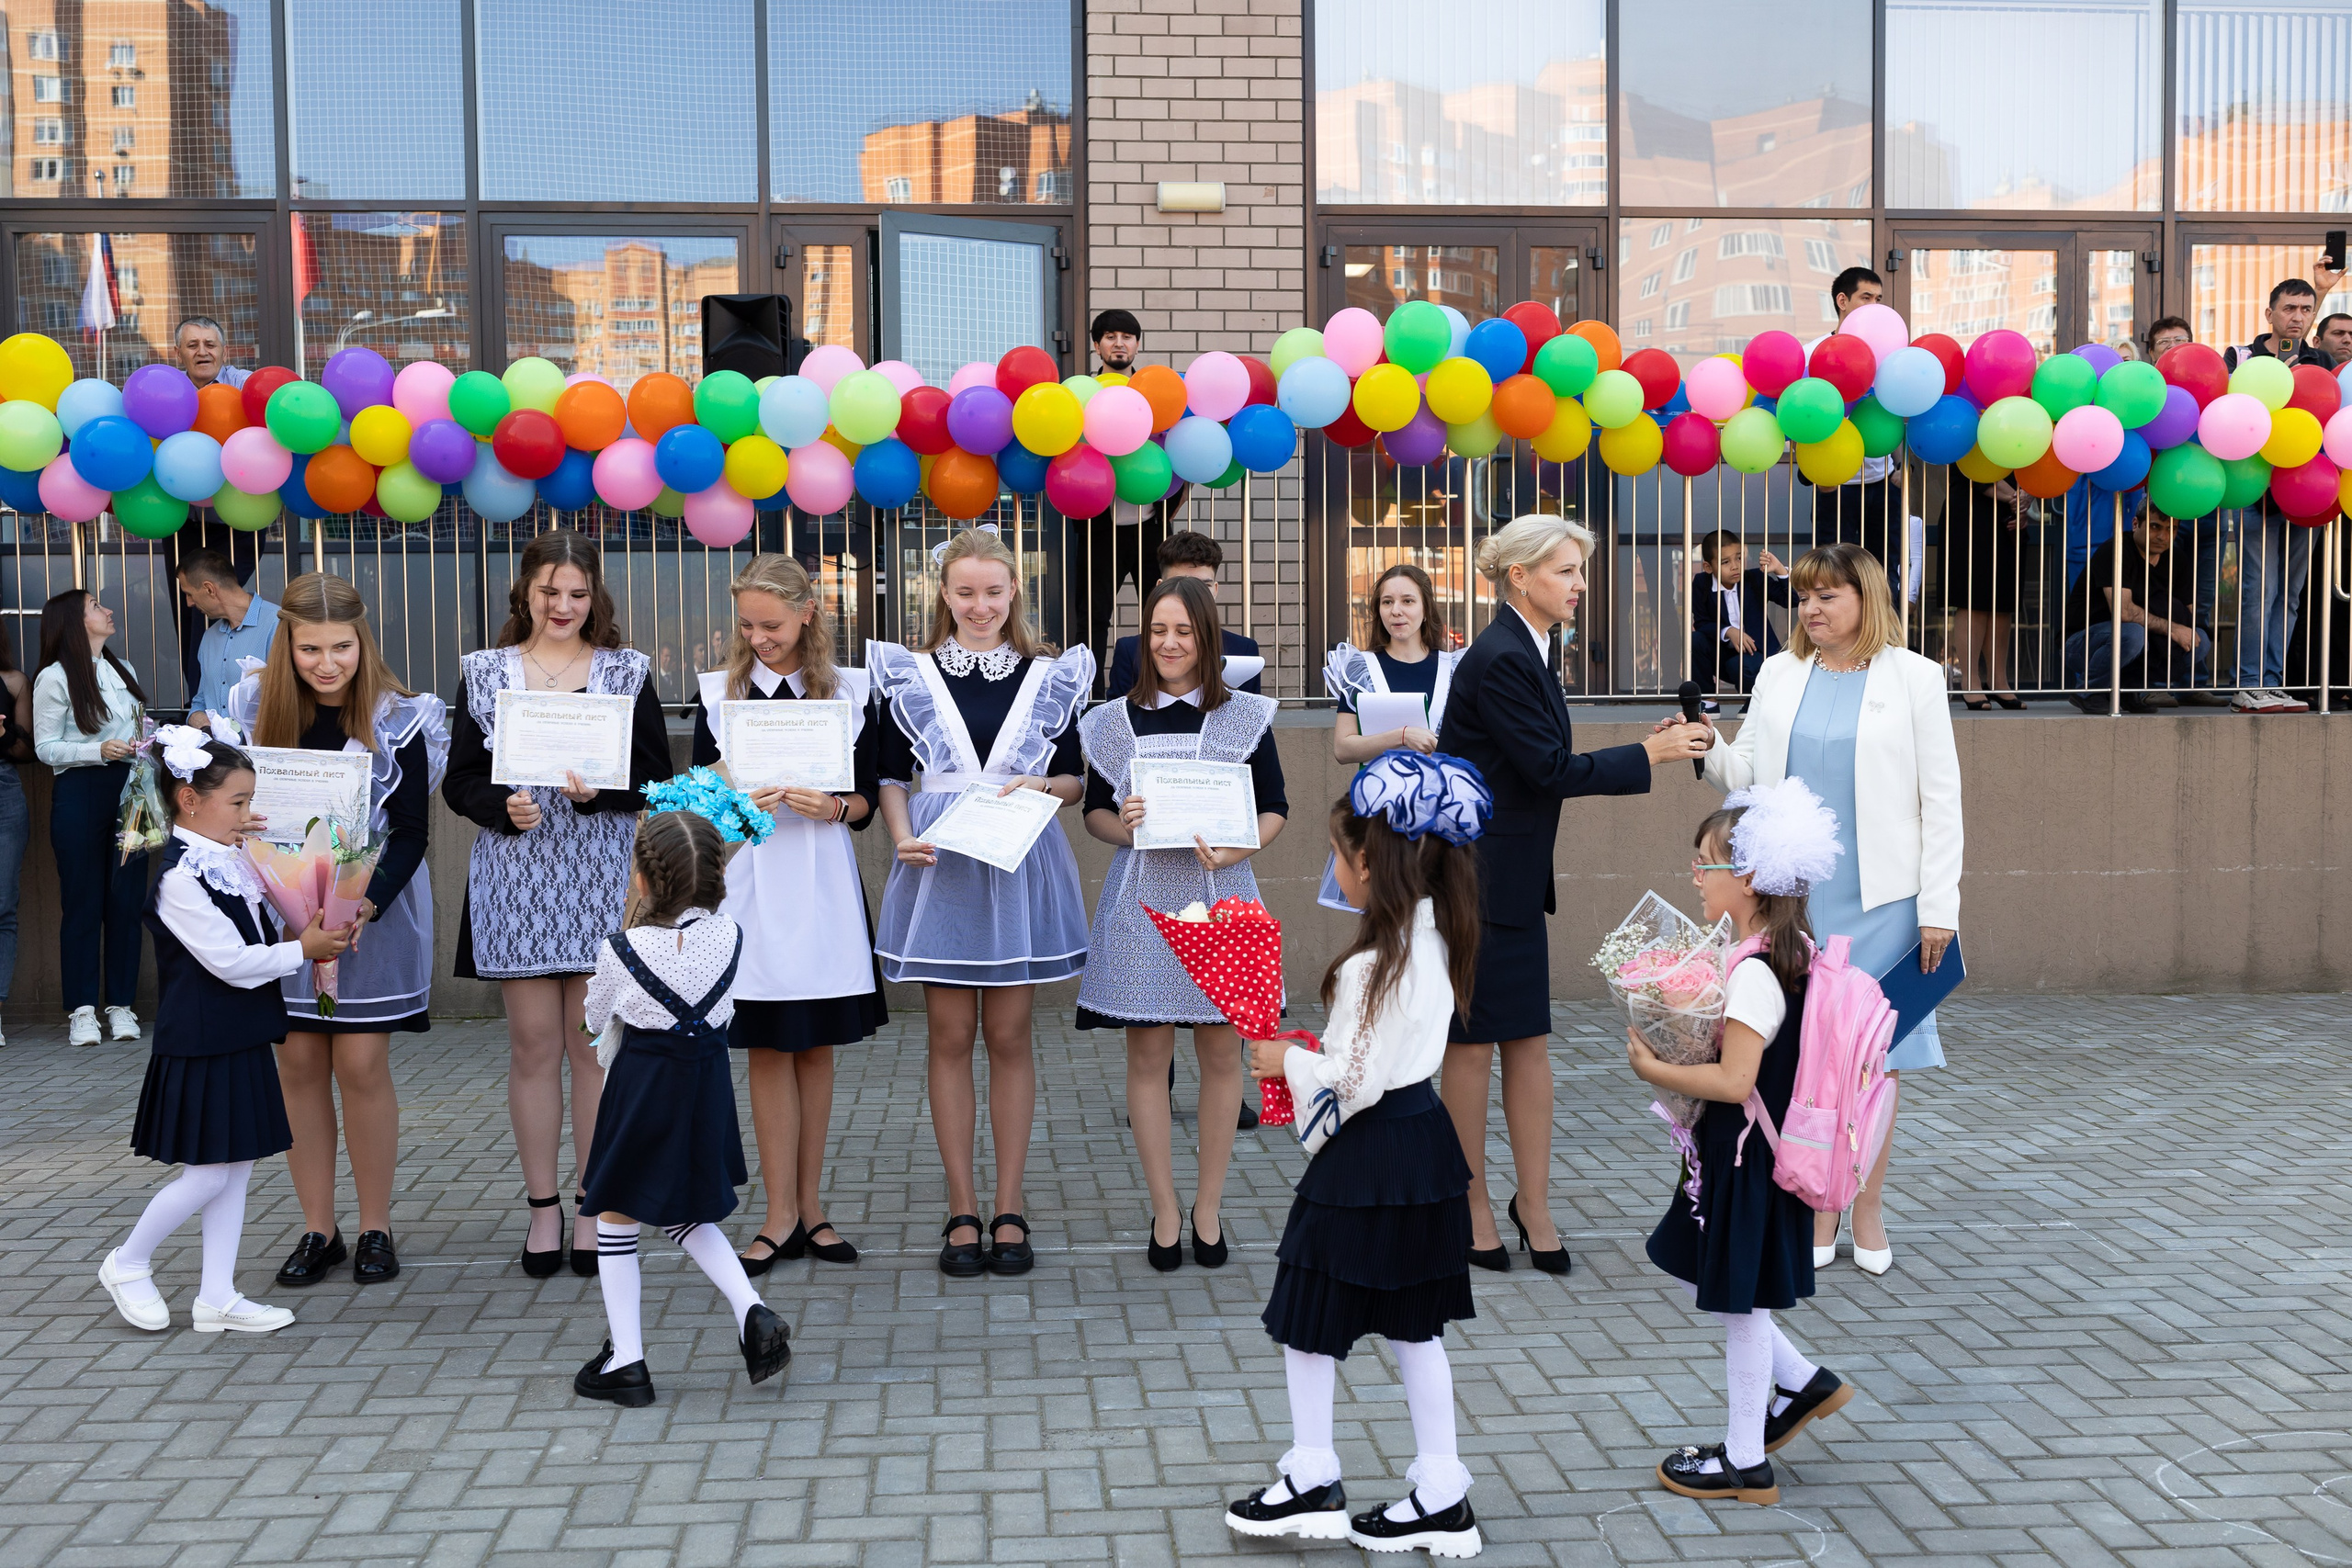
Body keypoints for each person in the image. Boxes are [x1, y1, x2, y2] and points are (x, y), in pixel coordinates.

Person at [1224, 751, 1489, 1556]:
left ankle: (1313, 1477)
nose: (1334, 869)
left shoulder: (1379, 961)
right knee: (1415, 1327)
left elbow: (1353, 1079)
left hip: (1370, 1153)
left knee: (1308, 1313)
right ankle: (1440, 1491)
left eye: (1339, 854)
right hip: (1423, 1145)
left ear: (1370, 862)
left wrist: (1285, 1060)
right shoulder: (1435, 938)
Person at [1439, 516, 1712, 1276]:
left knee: (1528, 1042)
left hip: (1512, 881)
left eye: (1579, 570)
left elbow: (1543, 761)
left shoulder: (1530, 647)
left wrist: (1649, 749)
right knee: (1471, 1047)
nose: (1580, 584)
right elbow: (1549, 770)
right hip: (1476, 883)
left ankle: (1534, 1205)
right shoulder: (1500, 656)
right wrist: (1650, 752)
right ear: (1520, 576)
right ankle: (1470, 1207)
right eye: (1565, 570)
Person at [1698, 544, 1962, 1278]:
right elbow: (1745, 774)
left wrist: (1939, 906)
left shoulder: (1915, 677)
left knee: (1876, 1057)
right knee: (1808, 1054)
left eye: (1827, 596)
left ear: (1866, 599)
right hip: (1797, 899)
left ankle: (1866, 1206)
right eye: (1805, 596)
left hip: (1885, 899)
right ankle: (1818, 1203)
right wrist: (1704, 743)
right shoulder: (1779, 673)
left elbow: (1941, 799)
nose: (1810, 608)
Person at [443, 530, 674, 1279]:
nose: (564, 605)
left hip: (602, 873)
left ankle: (591, 1205)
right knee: (533, 1045)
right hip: (517, 876)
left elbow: (654, 778)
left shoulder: (626, 671)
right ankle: (542, 1207)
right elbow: (459, 779)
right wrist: (499, 806)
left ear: (594, 595)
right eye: (550, 591)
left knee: (593, 1048)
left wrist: (599, 791)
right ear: (526, 592)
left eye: (577, 593)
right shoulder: (485, 672)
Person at [870, 526, 1093, 1279]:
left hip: (1014, 858)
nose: (979, 605)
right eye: (965, 591)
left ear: (1014, 590)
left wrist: (1043, 785)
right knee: (949, 1033)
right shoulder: (910, 673)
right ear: (942, 592)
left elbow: (1074, 779)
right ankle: (961, 1204)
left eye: (993, 591)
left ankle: (1009, 1202)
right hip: (939, 863)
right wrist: (901, 836)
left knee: (1009, 1034)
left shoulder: (1048, 674)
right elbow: (890, 774)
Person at [221, 574, 447, 1289]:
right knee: (296, 1065)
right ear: (286, 643)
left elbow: (411, 832)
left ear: (362, 641)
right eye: (310, 648)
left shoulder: (399, 718)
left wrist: (363, 905)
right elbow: (234, 811)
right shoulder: (253, 707)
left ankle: (376, 1224)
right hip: (284, 917)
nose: (327, 663)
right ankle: (319, 1228)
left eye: (341, 647)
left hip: (369, 918)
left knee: (360, 1064)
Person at [1629, 781, 1849, 1507]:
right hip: (1740, 1154)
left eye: (1706, 865)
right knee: (1702, 1264)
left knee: (1744, 1306)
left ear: (1749, 877)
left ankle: (1746, 1462)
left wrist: (1655, 1067)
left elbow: (1735, 1079)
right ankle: (1803, 1383)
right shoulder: (1787, 950)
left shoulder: (1754, 971)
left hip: (1745, 1157)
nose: (1696, 877)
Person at [95, 730, 350, 1336]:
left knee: (236, 1168)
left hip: (238, 1033)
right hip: (201, 1041)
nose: (248, 813)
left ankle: (217, 1296)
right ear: (189, 800)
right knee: (209, 1172)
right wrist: (302, 949)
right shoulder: (180, 878)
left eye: (250, 800)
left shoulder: (231, 859)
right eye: (238, 802)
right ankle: (127, 1262)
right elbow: (231, 962)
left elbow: (265, 917)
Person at [1077, 577, 1287, 1270]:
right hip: (1142, 902)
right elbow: (1095, 814)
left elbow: (1275, 806)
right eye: (1158, 630)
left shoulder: (1242, 716)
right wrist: (1126, 825)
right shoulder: (1113, 721)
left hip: (1222, 896)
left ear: (1208, 638)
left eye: (1184, 632)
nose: (1169, 644)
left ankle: (1208, 1208)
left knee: (1222, 1056)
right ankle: (1165, 1209)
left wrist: (1239, 848)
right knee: (1148, 1058)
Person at [686, 555, 884, 1273]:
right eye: (747, 625)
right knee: (767, 1048)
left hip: (821, 884)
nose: (758, 637)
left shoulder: (852, 692)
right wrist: (736, 804)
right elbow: (700, 807)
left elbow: (867, 799)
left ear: (808, 613)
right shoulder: (720, 697)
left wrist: (832, 806)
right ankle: (777, 1215)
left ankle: (812, 1207)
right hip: (750, 886)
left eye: (771, 624)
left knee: (815, 1047)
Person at [572, 810, 792, 1408]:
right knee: (680, 1208)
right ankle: (750, 1308)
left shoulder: (621, 948)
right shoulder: (730, 935)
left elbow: (594, 1019)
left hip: (643, 1090)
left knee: (616, 1217)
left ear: (642, 880)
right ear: (717, 880)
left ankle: (627, 1360)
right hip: (705, 1090)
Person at [34, 590, 150, 1047]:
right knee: (82, 902)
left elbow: (136, 730)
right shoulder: (54, 677)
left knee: (126, 900)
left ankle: (121, 1005)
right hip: (80, 790)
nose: (108, 610)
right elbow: (45, 748)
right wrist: (96, 750)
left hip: (131, 790)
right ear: (74, 622)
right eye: (96, 607)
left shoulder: (125, 670)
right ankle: (82, 1010)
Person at [1319, 562, 1464, 911]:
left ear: (1426, 608)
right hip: (1381, 818)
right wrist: (1400, 736)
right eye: (1387, 602)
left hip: (1441, 814)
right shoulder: (1360, 669)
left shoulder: (1455, 668)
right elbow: (1343, 747)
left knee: (1441, 918)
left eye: (1407, 601)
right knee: (1385, 919)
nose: (1396, 611)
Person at [1064, 309, 1189, 683]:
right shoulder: (1081, 396)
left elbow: (1181, 455)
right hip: (1097, 530)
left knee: (1164, 615)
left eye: (1127, 337)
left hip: (1151, 529)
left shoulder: (1154, 395)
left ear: (1137, 344)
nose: (1119, 344)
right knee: (1092, 617)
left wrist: (1172, 504)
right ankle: (1088, 695)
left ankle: (1159, 689)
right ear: (1097, 345)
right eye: (1110, 337)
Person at [2064, 512, 2211, 712]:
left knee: (2198, 639)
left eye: (2171, 529)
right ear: (2135, 524)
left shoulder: (2176, 559)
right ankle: (2088, 691)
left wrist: (2178, 629)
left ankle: (2129, 690)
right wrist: (2172, 628)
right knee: (2133, 634)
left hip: (2141, 641)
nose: (2163, 536)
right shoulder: (2116, 550)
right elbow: (2123, 612)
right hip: (2083, 644)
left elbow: (2188, 615)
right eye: (2155, 526)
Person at [1804, 267, 1897, 570]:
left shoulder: (1889, 353)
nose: (1874, 306)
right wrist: (1821, 479)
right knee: (1834, 573)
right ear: (1842, 301)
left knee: (1884, 572)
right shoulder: (1813, 353)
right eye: (1865, 297)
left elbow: (1899, 408)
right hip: (1834, 483)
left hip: (1882, 482)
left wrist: (1900, 468)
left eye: (1878, 299)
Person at [1104, 530, 1262, 699]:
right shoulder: (1130, 650)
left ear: (1215, 590)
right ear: (1160, 587)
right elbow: (1117, 711)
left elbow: (1251, 712)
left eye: (1203, 587)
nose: (1191, 595)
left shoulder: (1243, 650)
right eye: (1178, 583)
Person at [179, 549, 280, 728]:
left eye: (189, 594)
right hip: (216, 746)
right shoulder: (209, 637)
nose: (189, 603)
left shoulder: (278, 624)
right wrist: (199, 720)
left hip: (266, 744)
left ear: (209, 589)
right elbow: (200, 702)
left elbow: (289, 698)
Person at [1947, 478, 2023, 709]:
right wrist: (2016, 498)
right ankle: (1970, 681)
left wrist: (2024, 499)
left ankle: (1998, 681)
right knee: (1974, 598)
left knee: (2003, 602)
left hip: (2009, 516)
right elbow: (1972, 468)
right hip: (1972, 512)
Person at [1690, 534, 1792, 703]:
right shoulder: (1702, 583)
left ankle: (1753, 702)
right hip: (1722, 655)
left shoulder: (1754, 579)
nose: (1735, 566)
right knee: (1695, 640)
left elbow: (1792, 600)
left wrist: (1780, 570)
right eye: (1725, 562)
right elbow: (1701, 622)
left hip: (1755, 655)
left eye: (1738, 558)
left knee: (1740, 664)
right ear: (1708, 567)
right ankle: (1708, 701)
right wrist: (1729, 631)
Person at [0, 624, 32, 1051]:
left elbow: (28, 750)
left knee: (3, 903)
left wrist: (4, 735)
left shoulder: (12, 681)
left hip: (4, 789)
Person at [173, 314, 249, 390]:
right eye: (192, 346)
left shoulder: (243, 383)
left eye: (210, 345)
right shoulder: (171, 387)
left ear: (224, 353)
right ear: (179, 354)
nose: (202, 353)